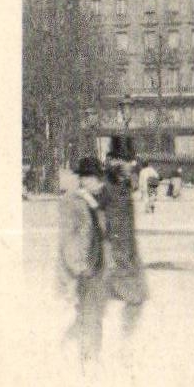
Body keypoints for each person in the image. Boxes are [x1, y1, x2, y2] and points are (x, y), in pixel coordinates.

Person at [57, 155, 108, 366]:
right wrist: (76, 268)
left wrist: (96, 206)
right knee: (89, 316)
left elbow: (105, 230)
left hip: (98, 266)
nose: (90, 182)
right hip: (82, 268)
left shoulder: (97, 200)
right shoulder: (72, 201)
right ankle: (82, 358)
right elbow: (68, 238)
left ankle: (87, 356)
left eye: (94, 178)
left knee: (92, 316)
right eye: (87, 178)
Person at [102, 136, 148, 339]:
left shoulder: (124, 186)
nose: (129, 164)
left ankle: (125, 342)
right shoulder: (104, 187)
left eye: (130, 160)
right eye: (123, 160)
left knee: (138, 298)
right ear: (111, 161)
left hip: (127, 256)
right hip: (110, 258)